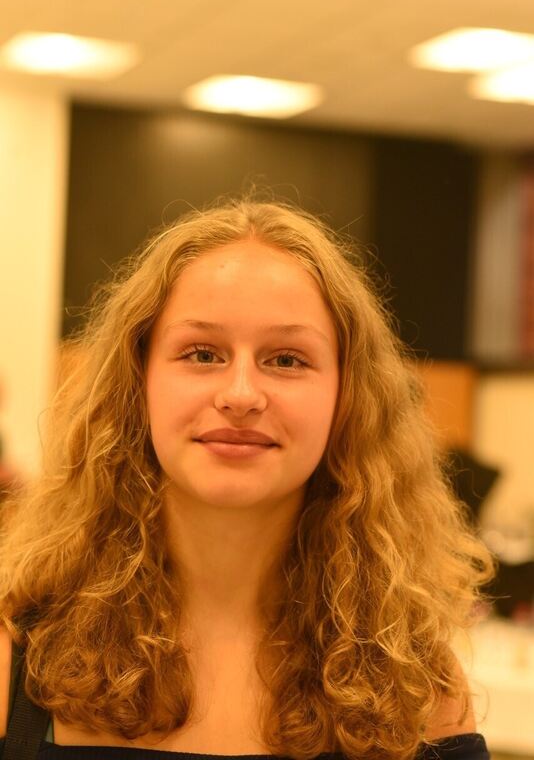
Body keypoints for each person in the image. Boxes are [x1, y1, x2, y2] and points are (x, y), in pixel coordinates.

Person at [0, 197, 497, 760]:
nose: (240, 395)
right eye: (202, 353)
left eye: (286, 360)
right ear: (138, 383)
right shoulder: (16, 660)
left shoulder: (417, 688)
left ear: (347, 398)